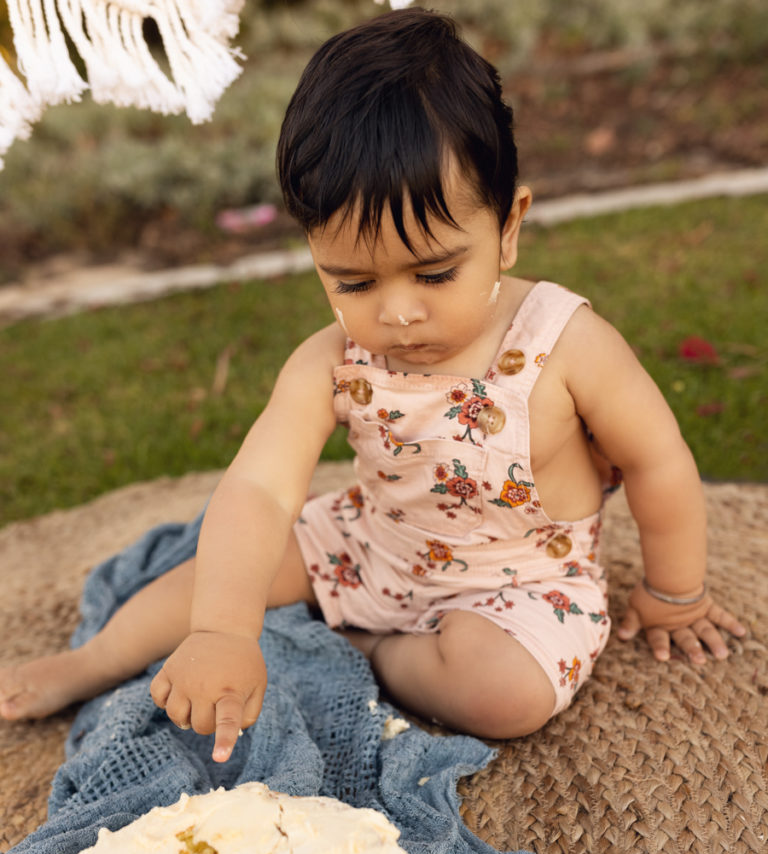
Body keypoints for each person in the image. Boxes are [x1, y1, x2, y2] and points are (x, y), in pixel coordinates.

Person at [0, 8, 746, 763]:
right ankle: (89, 664)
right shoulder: (332, 362)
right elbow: (258, 489)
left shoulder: (565, 344)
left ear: (508, 226)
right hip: (372, 542)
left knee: (507, 695)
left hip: (519, 583)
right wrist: (222, 629)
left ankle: (369, 650)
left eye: (435, 272)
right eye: (352, 281)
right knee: (212, 579)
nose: (396, 313)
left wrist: (674, 593)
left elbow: (657, 459)